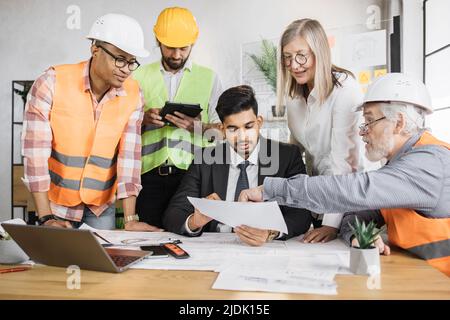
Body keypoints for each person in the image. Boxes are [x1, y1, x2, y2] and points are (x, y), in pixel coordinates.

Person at [239, 73, 450, 276]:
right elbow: (356, 213)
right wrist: (360, 234)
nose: (362, 131)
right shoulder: (398, 167)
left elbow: (356, 190)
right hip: (420, 278)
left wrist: (271, 189)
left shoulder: (429, 163)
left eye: (369, 121)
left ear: (399, 122)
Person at [21, 14, 161, 231]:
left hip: (100, 207)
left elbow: (129, 159)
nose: (126, 69)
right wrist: (45, 217)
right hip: (54, 205)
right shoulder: (52, 83)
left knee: (101, 263)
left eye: (132, 62)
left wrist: (130, 219)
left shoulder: (134, 94)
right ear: (95, 50)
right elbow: (35, 154)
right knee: (55, 264)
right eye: (120, 59)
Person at [163, 85, 312, 246]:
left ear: (259, 122)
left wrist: (271, 232)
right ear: (222, 129)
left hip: (266, 248)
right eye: (233, 129)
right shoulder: (204, 159)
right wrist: (194, 221)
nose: (242, 137)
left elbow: (302, 214)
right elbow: (174, 213)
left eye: (248, 127)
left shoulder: (287, 156)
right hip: (218, 247)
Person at [133, 7, 223, 229]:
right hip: (148, 178)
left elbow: (225, 132)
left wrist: (198, 127)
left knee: (194, 238)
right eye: (170, 48)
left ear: (193, 44)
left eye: (183, 48)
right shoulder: (137, 77)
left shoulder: (209, 78)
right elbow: (119, 128)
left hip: (193, 178)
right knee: (149, 241)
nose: (176, 55)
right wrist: (142, 120)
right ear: (157, 41)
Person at [277, 19, 365, 243]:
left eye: (301, 55)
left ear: (320, 52)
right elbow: (294, 150)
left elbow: (345, 165)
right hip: (318, 198)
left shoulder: (345, 91)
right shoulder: (294, 95)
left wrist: (330, 223)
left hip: (348, 204)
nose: (294, 65)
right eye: (287, 57)